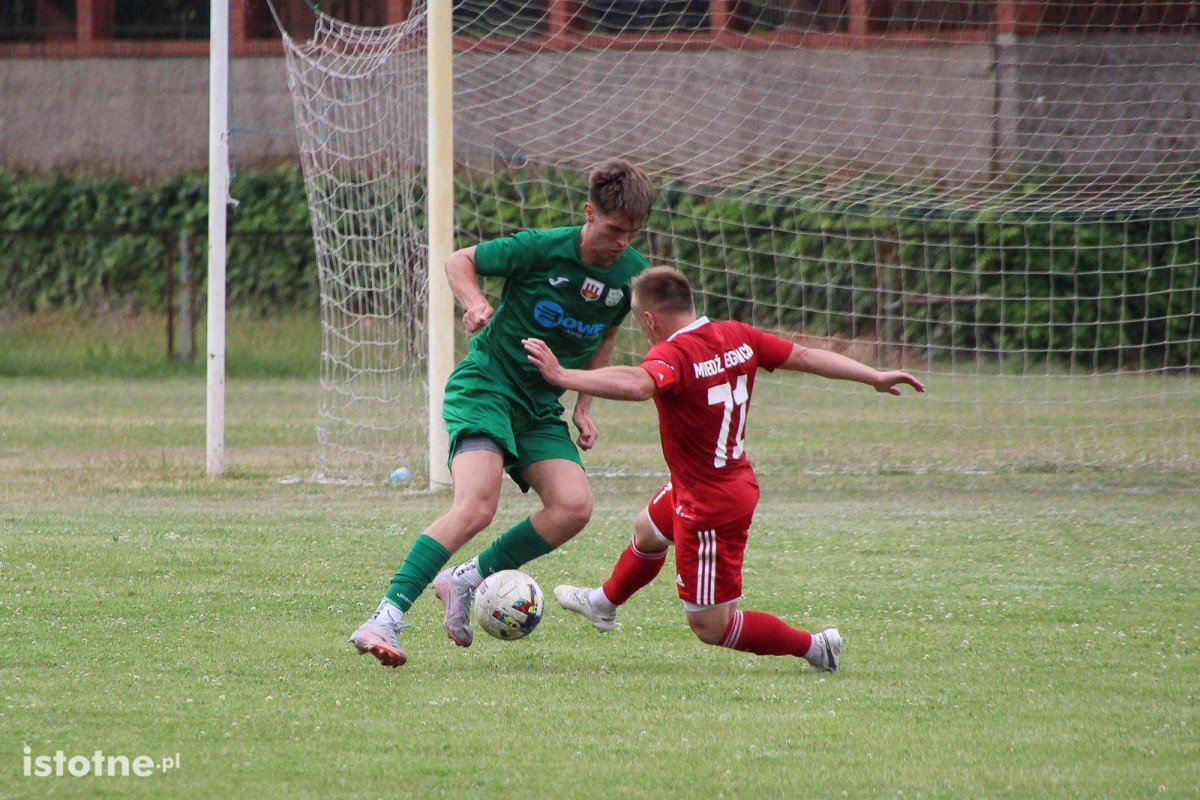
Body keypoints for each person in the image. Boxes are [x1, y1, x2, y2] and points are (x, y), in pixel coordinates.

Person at [522, 266, 925, 671]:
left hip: (708, 503)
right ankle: (602, 604)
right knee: (648, 529)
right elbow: (803, 355)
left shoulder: (673, 353)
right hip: (717, 478)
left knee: (711, 626)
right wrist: (873, 376)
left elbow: (639, 384)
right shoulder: (738, 335)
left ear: (648, 319)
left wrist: (562, 375)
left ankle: (817, 647)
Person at [351, 158, 656, 667]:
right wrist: (473, 303)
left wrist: (584, 404)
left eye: (633, 232)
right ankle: (385, 618)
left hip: (539, 406)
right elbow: (458, 262)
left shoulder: (630, 275)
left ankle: (465, 579)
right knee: (476, 506)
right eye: (614, 229)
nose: (622, 242)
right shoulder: (540, 247)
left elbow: (606, 333)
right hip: (487, 386)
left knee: (574, 507)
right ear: (589, 213)